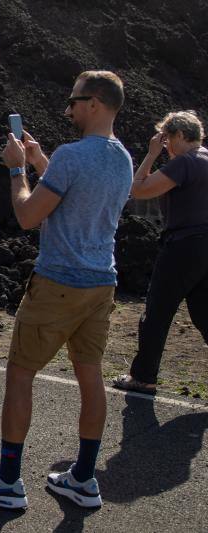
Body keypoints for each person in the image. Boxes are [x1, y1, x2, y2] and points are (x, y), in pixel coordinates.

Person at [0, 71, 132, 510]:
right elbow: (78, 194)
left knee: (20, 375)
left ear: (93, 103)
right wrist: (40, 162)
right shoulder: (123, 158)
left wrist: (17, 168)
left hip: (58, 283)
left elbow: (27, 215)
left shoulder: (73, 156)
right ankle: (83, 479)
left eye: (74, 101)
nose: (68, 109)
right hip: (101, 284)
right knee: (90, 377)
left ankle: (9, 482)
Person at [113, 111, 208, 394]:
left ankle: (143, 377)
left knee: (158, 310)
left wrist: (152, 154)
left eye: (166, 140)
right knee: (205, 314)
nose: (165, 146)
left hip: (184, 245)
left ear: (179, 136)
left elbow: (138, 189)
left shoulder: (185, 163)